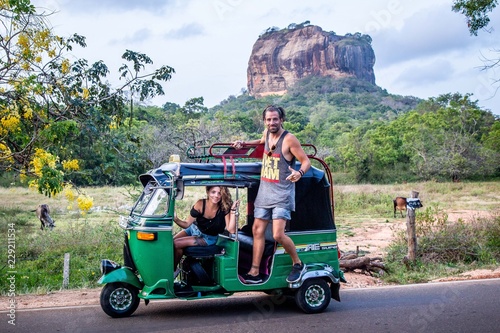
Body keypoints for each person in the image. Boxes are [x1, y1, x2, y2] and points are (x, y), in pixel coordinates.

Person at [233, 105, 311, 284]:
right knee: (257, 230)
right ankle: (254, 272)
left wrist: (299, 173)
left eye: (275, 119)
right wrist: (243, 144)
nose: (272, 122)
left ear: (281, 119)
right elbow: (261, 142)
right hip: (265, 193)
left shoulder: (289, 139)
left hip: (282, 195)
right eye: (268, 120)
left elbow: (305, 161)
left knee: (277, 235)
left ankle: (298, 263)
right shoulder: (267, 134)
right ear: (264, 121)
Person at [173, 186, 239, 269]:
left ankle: (172, 271)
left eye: (219, 193)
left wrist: (233, 211)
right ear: (208, 192)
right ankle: (168, 268)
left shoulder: (224, 208)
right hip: (193, 229)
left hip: (208, 238)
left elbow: (231, 230)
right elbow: (186, 224)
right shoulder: (200, 204)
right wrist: (176, 219)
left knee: (177, 244)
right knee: (170, 243)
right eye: (213, 192)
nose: (216, 196)